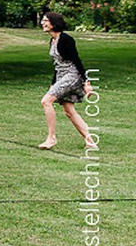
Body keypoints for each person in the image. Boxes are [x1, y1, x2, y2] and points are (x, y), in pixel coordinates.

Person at [37, 12, 97, 150]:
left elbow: (77, 61)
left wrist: (86, 83)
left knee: (46, 101)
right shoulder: (52, 40)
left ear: (54, 23)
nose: (42, 23)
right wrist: (54, 83)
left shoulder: (66, 39)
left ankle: (51, 138)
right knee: (69, 110)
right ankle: (91, 142)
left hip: (72, 75)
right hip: (61, 76)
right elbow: (57, 65)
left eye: (46, 20)